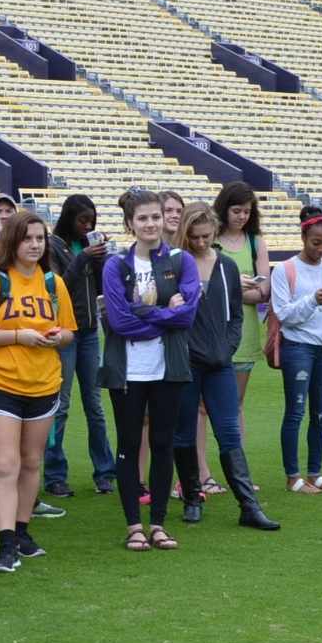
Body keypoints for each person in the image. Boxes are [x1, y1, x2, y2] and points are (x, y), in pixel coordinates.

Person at [0, 210, 76, 573]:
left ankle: (23, 531)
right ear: (12, 241)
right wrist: (17, 336)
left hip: (44, 383)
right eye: (27, 238)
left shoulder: (53, 283)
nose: (35, 245)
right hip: (1, 384)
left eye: (40, 238)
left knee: (31, 462)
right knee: (6, 465)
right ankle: (6, 542)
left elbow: (69, 331)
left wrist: (58, 337)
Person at [100, 189, 200, 552]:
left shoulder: (181, 260)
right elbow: (119, 322)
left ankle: (157, 524)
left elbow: (187, 316)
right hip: (127, 372)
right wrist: (164, 314)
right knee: (128, 446)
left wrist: (143, 312)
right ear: (130, 223)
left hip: (167, 369)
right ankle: (134, 526)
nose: (151, 224)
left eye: (155, 216)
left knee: (162, 444)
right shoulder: (116, 266)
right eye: (142, 218)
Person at [172, 204, 278, 531]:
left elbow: (236, 315)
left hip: (219, 364)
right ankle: (193, 498)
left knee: (229, 433)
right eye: (195, 237)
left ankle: (249, 506)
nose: (201, 242)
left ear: (214, 232)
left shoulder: (226, 267)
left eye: (206, 236)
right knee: (184, 433)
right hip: (186, 364)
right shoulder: (175, 265)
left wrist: (227, 347)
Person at [43, 194, 117, 498]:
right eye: (82, 220)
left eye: (91, 221)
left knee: (95, 405)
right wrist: (84, 258)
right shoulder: (52, 246)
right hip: (64, 332)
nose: (87, 226)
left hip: (88, 331)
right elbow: (57, 285)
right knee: (60, 405)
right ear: (68, 218)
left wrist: (101, 261)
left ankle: (105, 472)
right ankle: (54, 475)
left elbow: (99, 286)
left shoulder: (86, 246)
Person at [272, 215, 322, 494]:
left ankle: (315, 474)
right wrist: (313, 300)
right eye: (316, 242)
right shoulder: (285, 270)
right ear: (303, 237)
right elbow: (284, 315)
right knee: (295, 412)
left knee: (321, 414)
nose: (321, 249)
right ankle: (293, 477)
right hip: (298, 348)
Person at [214, 182, 270, 440]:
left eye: (247, 211)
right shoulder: (209, 239)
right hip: (212, 333)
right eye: (236, 211)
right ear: (224, 208)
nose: (242, 216)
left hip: (244, 334)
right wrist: (238, 288)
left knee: (236, 404)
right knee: (203, 407)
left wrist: (229, 290)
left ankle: (237, 463)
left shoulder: (255, 242)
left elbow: (263, 291)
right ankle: (201, 464)